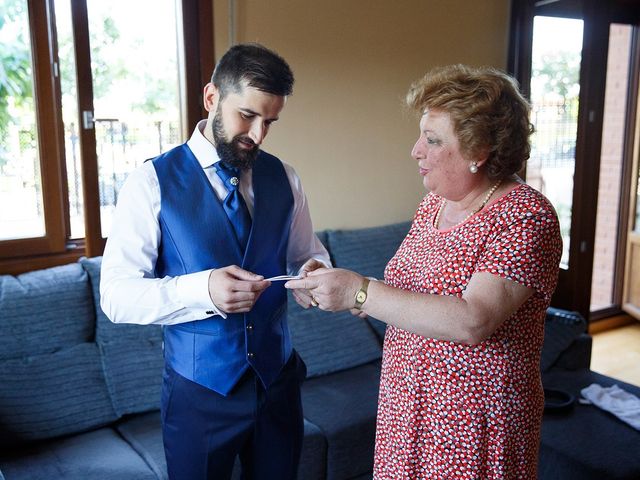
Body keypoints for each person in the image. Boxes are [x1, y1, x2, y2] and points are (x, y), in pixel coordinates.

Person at [285, 64, 562, 479]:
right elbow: (405, 297)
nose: (415, 150)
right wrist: (334, 285)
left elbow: (474, 319)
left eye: (432, 140)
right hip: (406, 407)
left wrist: (360, 292)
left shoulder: (525, 215)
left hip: (471, 423)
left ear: (479, 150)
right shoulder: (434, 204)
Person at [100, 43, 330, 480]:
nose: (258, 135)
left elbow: (307, 253)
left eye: (270, 122)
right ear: (212, 98)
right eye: (247, 116)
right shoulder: (150, 182)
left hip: (278, 388)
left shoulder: (286, 177)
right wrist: (202, 289)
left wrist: (314, 272)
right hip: (199, 397)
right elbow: (115, 296)